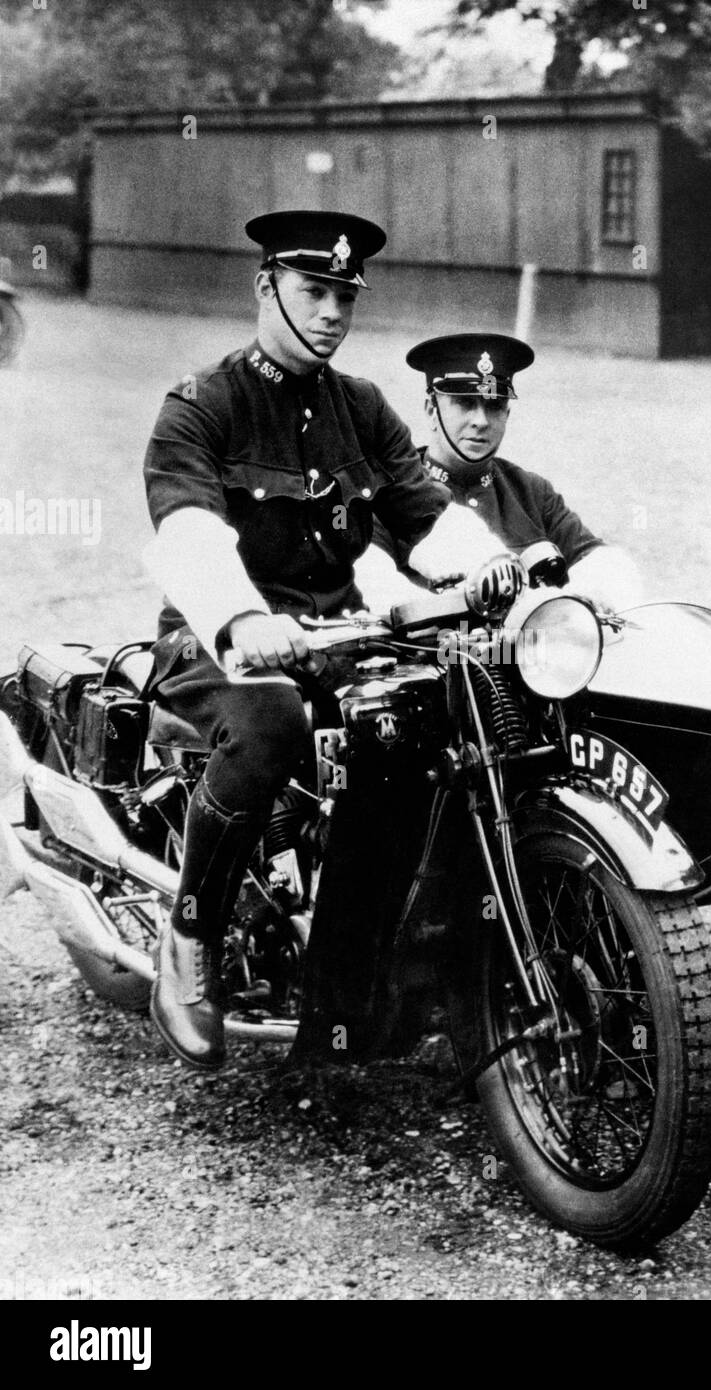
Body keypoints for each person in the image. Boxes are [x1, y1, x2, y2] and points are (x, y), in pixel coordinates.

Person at [142, 210, 499, 1071]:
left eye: (347, 294)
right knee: (270, 730)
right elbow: (187, 526)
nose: (335, 310)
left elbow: (423, 512)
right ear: (266, 288)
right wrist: (242, 619)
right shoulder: (202, 404)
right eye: (315, 290)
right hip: (218, 640)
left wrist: (495, 568)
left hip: (335, 636)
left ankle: (364, 979)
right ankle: (191, 938)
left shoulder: (363, 408)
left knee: (433, 720)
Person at [355, 333, 642, 614]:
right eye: (465, 403)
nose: (480, 421)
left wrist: (586, 599)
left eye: (494, 406)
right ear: (432, 410)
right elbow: (368, 582)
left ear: (507, 415)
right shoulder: (387, 490)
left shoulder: (532, 493)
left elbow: (601, 565)